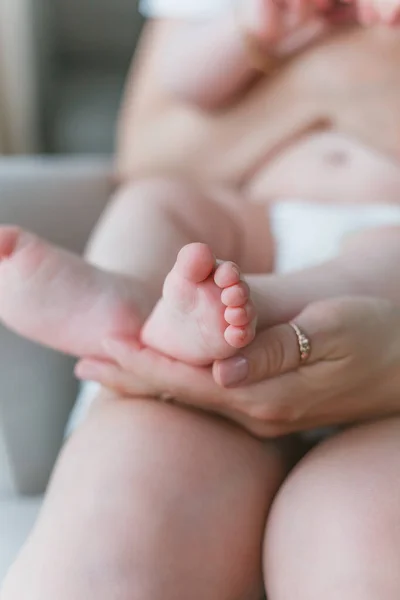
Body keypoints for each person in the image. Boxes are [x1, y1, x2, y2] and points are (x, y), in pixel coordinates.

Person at [2, 2, 400, 600]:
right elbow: (178, 90)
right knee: (160, 202)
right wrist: (249, 32)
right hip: (253, 220)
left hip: (378, 238)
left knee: (375, 259)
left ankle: (263, 306)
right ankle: (131, 301)